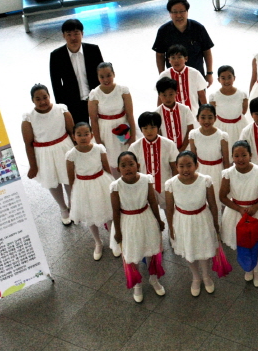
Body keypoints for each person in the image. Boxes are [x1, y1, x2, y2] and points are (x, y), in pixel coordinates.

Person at [111, 152, 166, 303]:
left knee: (150, 248)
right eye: (123, 166)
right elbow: (115, 211)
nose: (128, 168)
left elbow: (153, 202)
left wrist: (159, 220)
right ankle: (137, 284)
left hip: (146, 218)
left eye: (131, 164)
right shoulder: (116, 186)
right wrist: (118, 231)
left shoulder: (146, 180)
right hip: (127, 222)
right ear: (118, 169)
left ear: (138, 165)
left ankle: (153, 278)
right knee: (132, 252)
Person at [165, 150, 219, 297]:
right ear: (176, 167)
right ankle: (196, 277)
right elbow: (169, 209)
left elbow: (213, 204)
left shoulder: (205, 181)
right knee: (189, 248)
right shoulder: (171, 184)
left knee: (204, 247)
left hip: (202, 218)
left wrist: (215, 223)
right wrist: (171, 227)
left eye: (189, 165)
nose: (185, 169)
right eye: (181, 166)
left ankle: (206, 275)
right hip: (183, 221)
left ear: (196, 165)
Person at [219, 140, 258, 287]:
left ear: (250, 155)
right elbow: (222, 196)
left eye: (244, 155)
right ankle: (248, 267)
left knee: (257, 241)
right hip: (237, 212)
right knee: (243, 241)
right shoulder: (228, 174)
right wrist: (239, 209)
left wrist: (255, 207)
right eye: (236, 156)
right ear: (232, 157)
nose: (240, 159)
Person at [22, 83, 74, 225]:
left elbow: (72, 132)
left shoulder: (61, 110)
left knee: (68, 178)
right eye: (38, 99)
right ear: (32, 100)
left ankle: (72, 204)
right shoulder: (28, 118)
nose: (42, 102)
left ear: (49, 96)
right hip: (44, 153)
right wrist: (33, 166)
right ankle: (63, 208)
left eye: (45, 97)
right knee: (52, 181)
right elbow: (28, 144)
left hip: (64, 148)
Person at [65, 122, 115, 261]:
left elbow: (107, 168)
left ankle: (113, 239)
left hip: (101, 181)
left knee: (108, 211)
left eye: (86, 134)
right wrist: (74, 195)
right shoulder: (71, 155)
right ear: (74, 137)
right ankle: (98, 242)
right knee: (90, 214)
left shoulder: (99, 148)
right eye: (79, 135)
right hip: (83, 186)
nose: (83, 137)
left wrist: (113, 184)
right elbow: (71, 177)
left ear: (91, 135)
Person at [49, 19, 103, 125]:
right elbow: (56, 85)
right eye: (69, 34)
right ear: (63, 36)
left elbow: (102, 74)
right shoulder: (56, 56)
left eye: (76, 33)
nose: (73, 38)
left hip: (95, 99)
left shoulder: (93, 50)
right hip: (73, 103)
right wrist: (62, 108)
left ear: (82, 33)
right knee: (80, 132)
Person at [88, 62, 136, 177]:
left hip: (123, 126)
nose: (106, 79)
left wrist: (133, 135)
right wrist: (98, 141)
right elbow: (93, 120)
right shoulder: (94, 94)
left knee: (127, 157)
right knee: (111, 160)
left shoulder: (122, 90)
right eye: (102, 77)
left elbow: (130, 114)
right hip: (105, 131)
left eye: (108, 75)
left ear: (114, 74)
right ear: (98, 77)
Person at [152, 0, 214, 84]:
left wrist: (209, 73)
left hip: (196, 75)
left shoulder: (198, 28)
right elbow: (160, 55)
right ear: (170, 13)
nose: (178, 15)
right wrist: (162, 76)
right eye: (174, 12)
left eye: (182, 11)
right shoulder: (163, 31)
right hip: (173, 77)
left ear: (187, 12)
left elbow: (207, 51)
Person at [128, 111, 179, 205]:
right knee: (149, 213)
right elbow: (134, 170)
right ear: (140, 129)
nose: (149, 131)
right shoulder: (134, 147)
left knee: (170, 212)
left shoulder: (169, 144)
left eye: (152, 127)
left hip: (166, 187)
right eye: (145, 128)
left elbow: (174, 167)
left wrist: (175, 186)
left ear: (158, 128)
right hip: (144, 189)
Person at [189, 104, 230, 209]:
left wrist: (227, 179)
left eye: (210, 117)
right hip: (200, 170)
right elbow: (193, 158)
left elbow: (226, 161)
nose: (206, 121)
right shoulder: (193, 135)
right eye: (203, 117)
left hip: (217, 171)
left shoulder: (222, 136)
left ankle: (219, 218)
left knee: (217, 199)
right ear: (197, 118)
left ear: (215, 118)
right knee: (202, 200)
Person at [209, 65, 249, 158]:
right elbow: (212, 113)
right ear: (218, 79)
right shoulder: (214, 96)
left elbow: (243, 111)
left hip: (239, 126)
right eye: (223, 78)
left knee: (240, 150)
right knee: (222, 152)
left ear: (234, 78)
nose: (226, 81)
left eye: (229, 77)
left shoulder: (242, 94)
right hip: (221, 126)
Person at [157, 44, 208, 111]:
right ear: (169, 60)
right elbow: (160, 96)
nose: (176, 60)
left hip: (193, 113)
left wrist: (206, 111)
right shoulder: (164, 75)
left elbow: (201, 95)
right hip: (172, 114)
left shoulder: (195, 73)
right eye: (173, 58)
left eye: (179, 57)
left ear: (186, 58)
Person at [155, 77, 194, 152]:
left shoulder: (185, 109)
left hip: (186, 150)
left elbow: (190, 130)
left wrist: (182, 149)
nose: (168, 98)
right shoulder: (157, 113)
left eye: (171, 94)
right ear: (159, 95)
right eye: (164, 95)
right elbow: (158, 134)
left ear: (176, 93)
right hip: (167, 151)